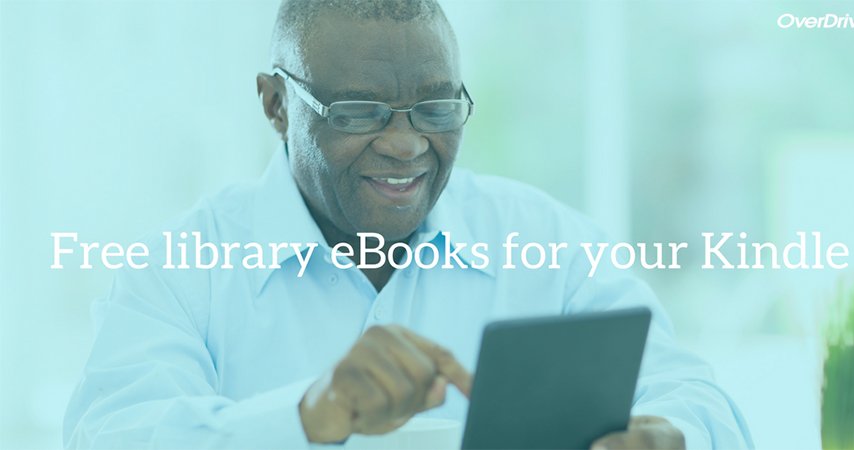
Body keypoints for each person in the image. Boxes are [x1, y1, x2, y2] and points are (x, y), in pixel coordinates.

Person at [64, 1, 754, 448]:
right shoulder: (184, 269)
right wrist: (309, 415)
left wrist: (672, 435)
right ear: (275, 105)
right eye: (358, 111)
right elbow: (110, 434)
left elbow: (703, 401)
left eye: (436, 108)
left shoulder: (549, 246)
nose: (405, 144)